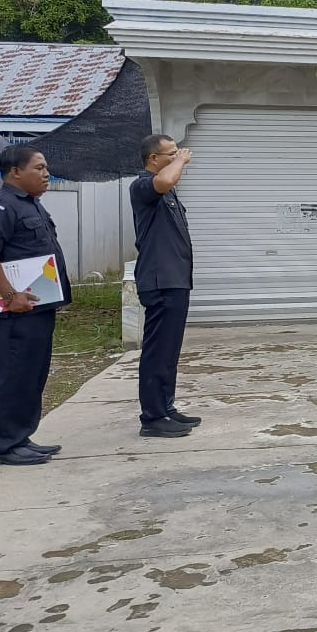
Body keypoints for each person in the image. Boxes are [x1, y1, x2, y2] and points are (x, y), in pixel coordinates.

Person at [0, 145, 73, 466]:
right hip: (13, 313)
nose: (47, 174)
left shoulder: (31, 206)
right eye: (39, 168)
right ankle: (3, 445)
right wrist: (10, 295)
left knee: (31, 374)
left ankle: (20, 437)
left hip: (37, 309)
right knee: (12, 374)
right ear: (16, 172)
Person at [131, 135, 199, 439]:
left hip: (175, 280)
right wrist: (181, 160)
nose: (178, 157)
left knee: (169, 351)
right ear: (152, 159)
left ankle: (166, 407)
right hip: (160, 281)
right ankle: (153, 416)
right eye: (169, 154)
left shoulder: (167, 193)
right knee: (157, 351)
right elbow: (165, 180)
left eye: (178, 153)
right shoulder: (144, 185)